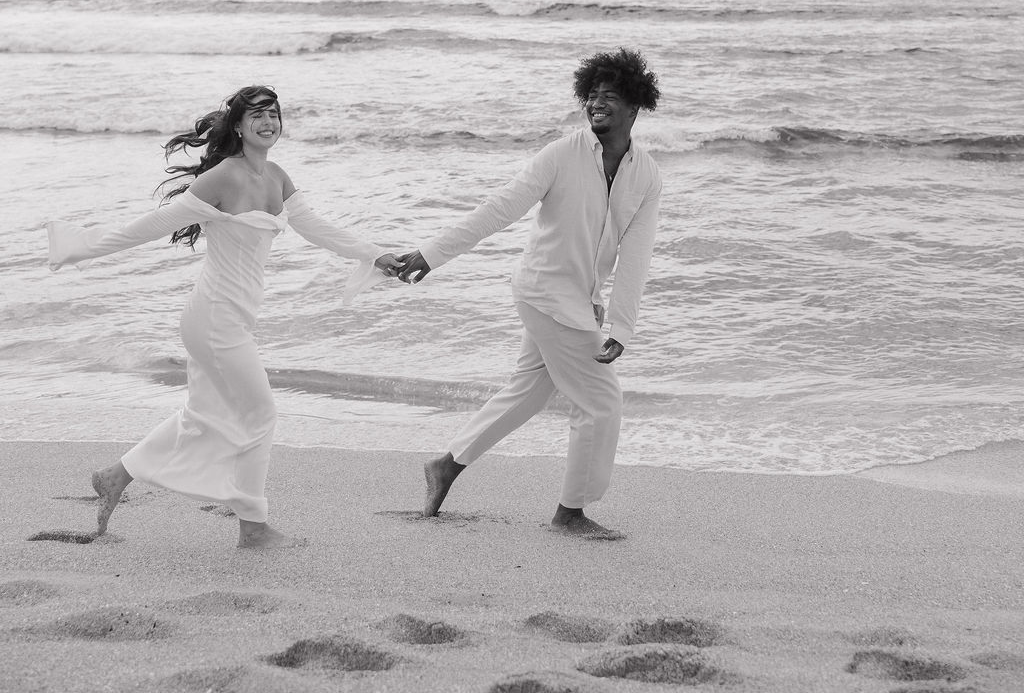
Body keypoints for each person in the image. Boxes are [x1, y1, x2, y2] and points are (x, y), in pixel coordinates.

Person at [45, 84, 401, 550]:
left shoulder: (276, 176)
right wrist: (79, 248)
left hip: (232, 317)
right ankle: (253, 527)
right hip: (214, 318)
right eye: (256, 115)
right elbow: (156, 224)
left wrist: (377, 255)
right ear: (237, 125)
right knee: (261, 413)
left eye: (273, 114)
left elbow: (318, 229)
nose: (267, 122)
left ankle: (115, 475)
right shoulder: (223, 177)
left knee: (205, 415)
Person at [395, 46, 662, 540]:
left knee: (528, 393)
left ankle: (446, 466)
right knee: (601, 402)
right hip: (544, 292)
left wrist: (623, 325)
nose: (598, 102)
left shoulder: (645, 173)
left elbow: (637, 255)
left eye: (611, 95)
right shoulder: (561, 154)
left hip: (580, 301)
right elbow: (500, 208)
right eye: (593, 94)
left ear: (635, 105)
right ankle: (570, 513)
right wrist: (432, 253)